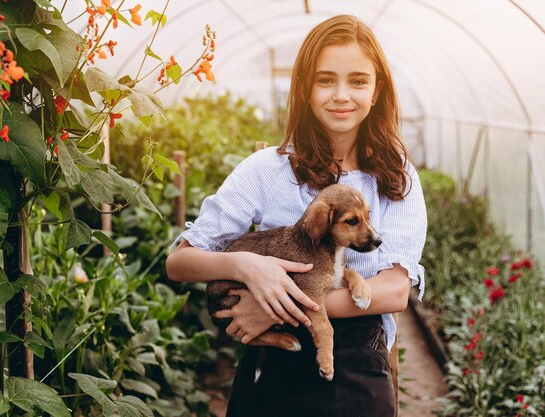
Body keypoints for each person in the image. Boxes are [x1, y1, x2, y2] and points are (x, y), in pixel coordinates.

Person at [166, 14, 426, 417]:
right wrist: (245, 265)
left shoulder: (395, 177)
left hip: (358, 367)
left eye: (358, 80)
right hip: (273, 374)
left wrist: (275, 306)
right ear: (304, 89)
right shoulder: (266, 170)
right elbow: (180, 262)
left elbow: (393, 291)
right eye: (325, 80)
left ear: (376, 91)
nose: (342, 94)